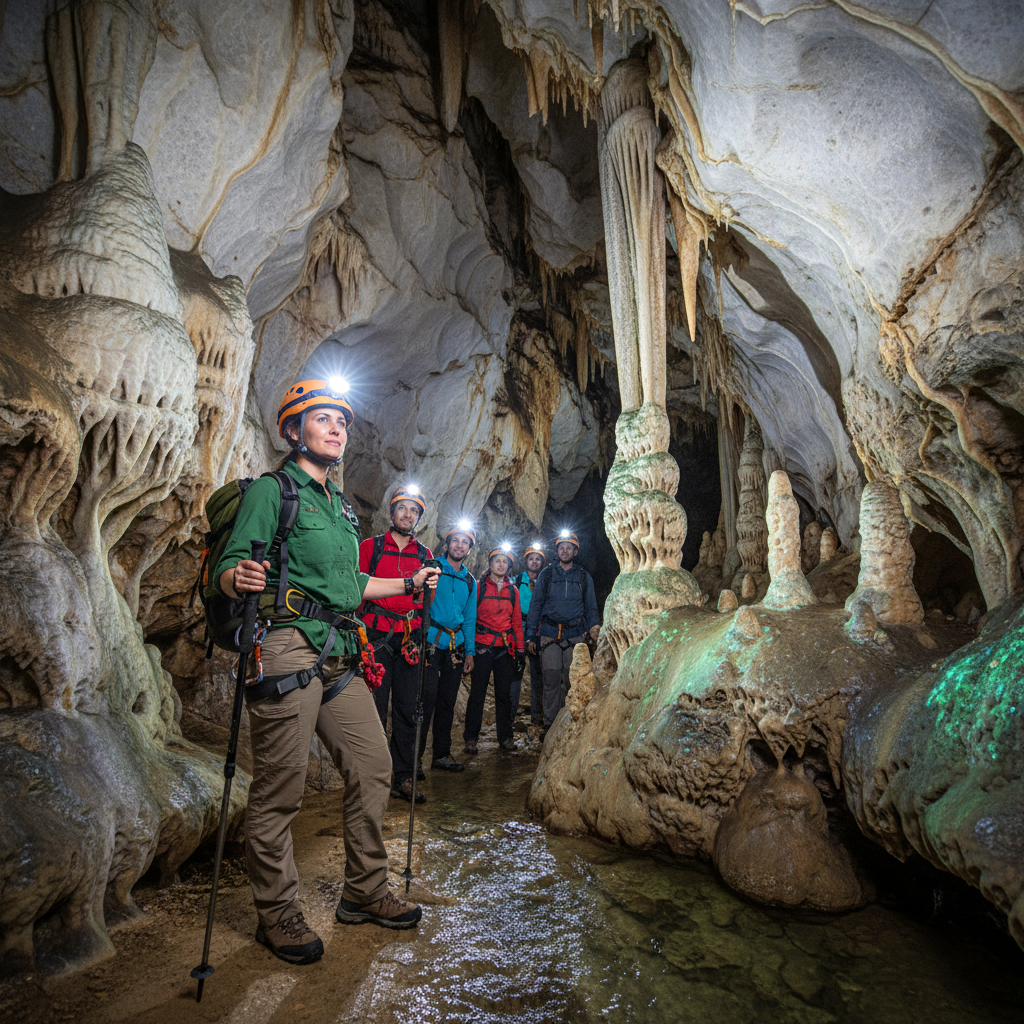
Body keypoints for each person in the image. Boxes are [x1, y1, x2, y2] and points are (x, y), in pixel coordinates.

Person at [216, 377, 439, 965]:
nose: (337, 428)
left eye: (342, 421)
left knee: (373, 764)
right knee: (280, 790)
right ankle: (278, 913)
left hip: (340, 650)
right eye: (322, 419)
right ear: (294, 431)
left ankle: (364, 894)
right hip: (287, 647)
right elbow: (235, 560)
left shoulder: (341, 509)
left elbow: (352, 585)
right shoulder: (274, 491)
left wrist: (409, 584)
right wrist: (235, 577)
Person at [359, 484, 433, 804]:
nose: (408, 514)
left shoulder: (424, 555)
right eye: (402, 508)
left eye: (414, 510)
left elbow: (426, 602)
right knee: (374, 709)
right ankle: (370, 777)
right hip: (375, 636)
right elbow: (356, 589)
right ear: (391, 513)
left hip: (408, 639)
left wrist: (423, 638)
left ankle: (403, 775)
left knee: (406, 708)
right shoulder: (370, 547)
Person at [525, 529, 600, 735]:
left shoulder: (584, 577)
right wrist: (531, 634)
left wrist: (594, 628)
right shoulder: (547, 574)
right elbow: (536, 605)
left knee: (571, 680)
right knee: (550, 679)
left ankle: (570, 721)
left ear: (575, 552)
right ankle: (550, 725)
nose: (565, 550)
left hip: (575, 635)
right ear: (556, 551)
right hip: (549, 634)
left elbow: (591, 606)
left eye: (569, 547)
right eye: (561, 547)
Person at [421, 521, 478, 772]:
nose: (460, 545)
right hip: (432, 643)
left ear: (469, 549)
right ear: (448, 543)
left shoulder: (469, 580)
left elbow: (470, 617)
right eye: (456, 540)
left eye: (465, 542)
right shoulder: (433, 569)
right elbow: (419, 604)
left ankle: (441, 755)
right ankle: (414, 760)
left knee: (447, 701)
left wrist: (470, 651)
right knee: (426, 699)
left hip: (456, 647)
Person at [464, 544, 524, 753]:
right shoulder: (479, 587)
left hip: (505, 648)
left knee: (504, 695)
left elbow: (516, 622)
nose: (501, 564)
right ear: (490, 564)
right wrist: (468, 650)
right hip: (483, 646)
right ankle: (471, 739)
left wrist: (520, 649)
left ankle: (505, 737)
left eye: (504, 561)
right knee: (477, 694)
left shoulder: (513, 591)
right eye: (497, 560)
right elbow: (470, 618)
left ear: (509, 566)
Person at [511, 541, 546, 726]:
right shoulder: (516, 580)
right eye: (531, 558)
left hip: (538, 631)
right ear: (526, 561)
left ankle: (537, 716)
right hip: (518, 628)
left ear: (542, 562)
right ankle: (509, 715)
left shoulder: (545, 581)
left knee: (537, 674)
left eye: (537, 559)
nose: (534, 562)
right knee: (515, 673)